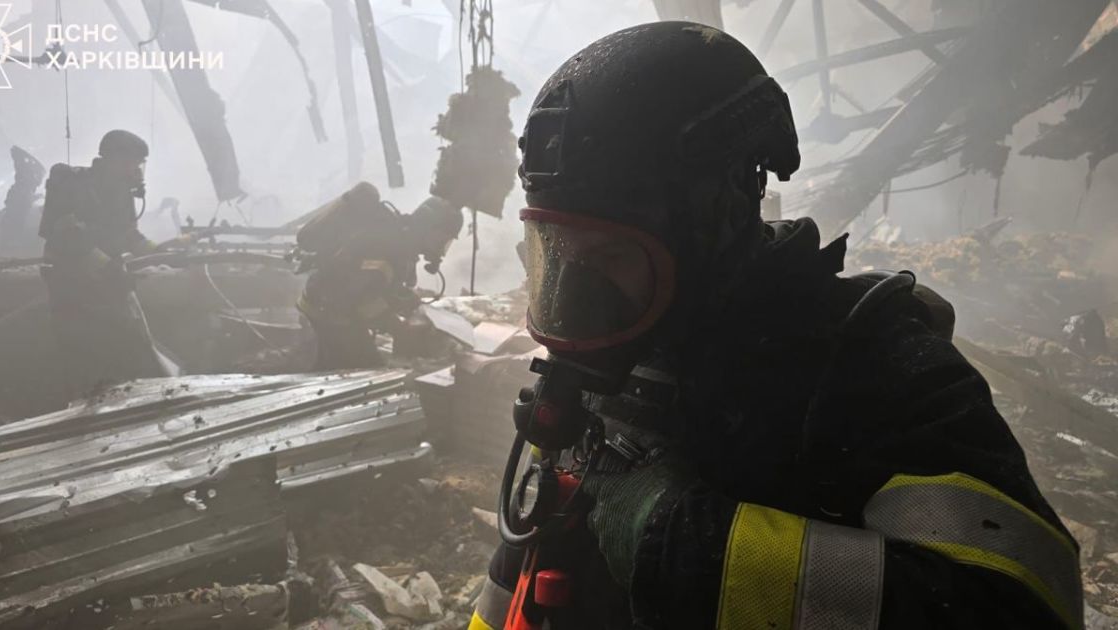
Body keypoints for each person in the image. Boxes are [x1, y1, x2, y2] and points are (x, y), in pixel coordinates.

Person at [472, 22, 1082, 630]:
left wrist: (684, 544)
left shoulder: (878, 373)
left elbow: (1022, 610)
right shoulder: (604, 368)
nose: (576, 298)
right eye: (557, 255)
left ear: (717, 220)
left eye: (610, 256)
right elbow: (515, 592)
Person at [38, 129, 173, 396]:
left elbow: (129, 236)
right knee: (83, 346)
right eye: (131, 163)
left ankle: (123, 396)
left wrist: (161, 252)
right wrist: (107, 265)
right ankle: (80, 402)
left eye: (139, 164)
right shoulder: (73, 185)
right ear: (112, 159)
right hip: (69, 281)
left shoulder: (121, 192)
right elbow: (69, 237)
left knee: (127, 340)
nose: (136, 170)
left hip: (107, 279)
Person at [295, 182, 462, 370]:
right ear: (427, 226)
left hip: (332, 310)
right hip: (328, 314)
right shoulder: (388, 245)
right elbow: (361, 300)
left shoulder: (401, 243)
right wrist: (397, 327)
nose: (441, 248)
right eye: (441, 239)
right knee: (367, 371)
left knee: (345, 365)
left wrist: (409, 301)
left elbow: (380, 286)